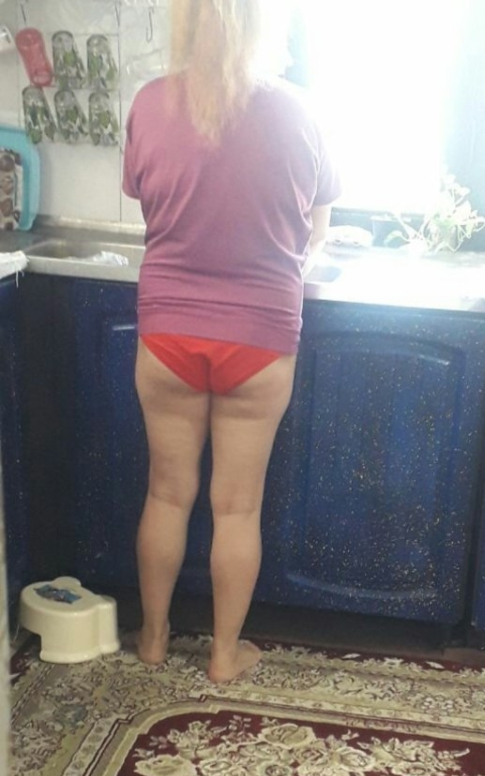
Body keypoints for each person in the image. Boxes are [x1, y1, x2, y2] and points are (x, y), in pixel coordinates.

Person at [122, 0, 340, 682]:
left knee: (166, 494)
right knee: (237, 507)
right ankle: (223, 655)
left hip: (169, 331)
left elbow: (150, 205)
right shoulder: (300, 113)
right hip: (260, 336)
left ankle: (153, 638)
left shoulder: (150, 103)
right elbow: (315, 232)